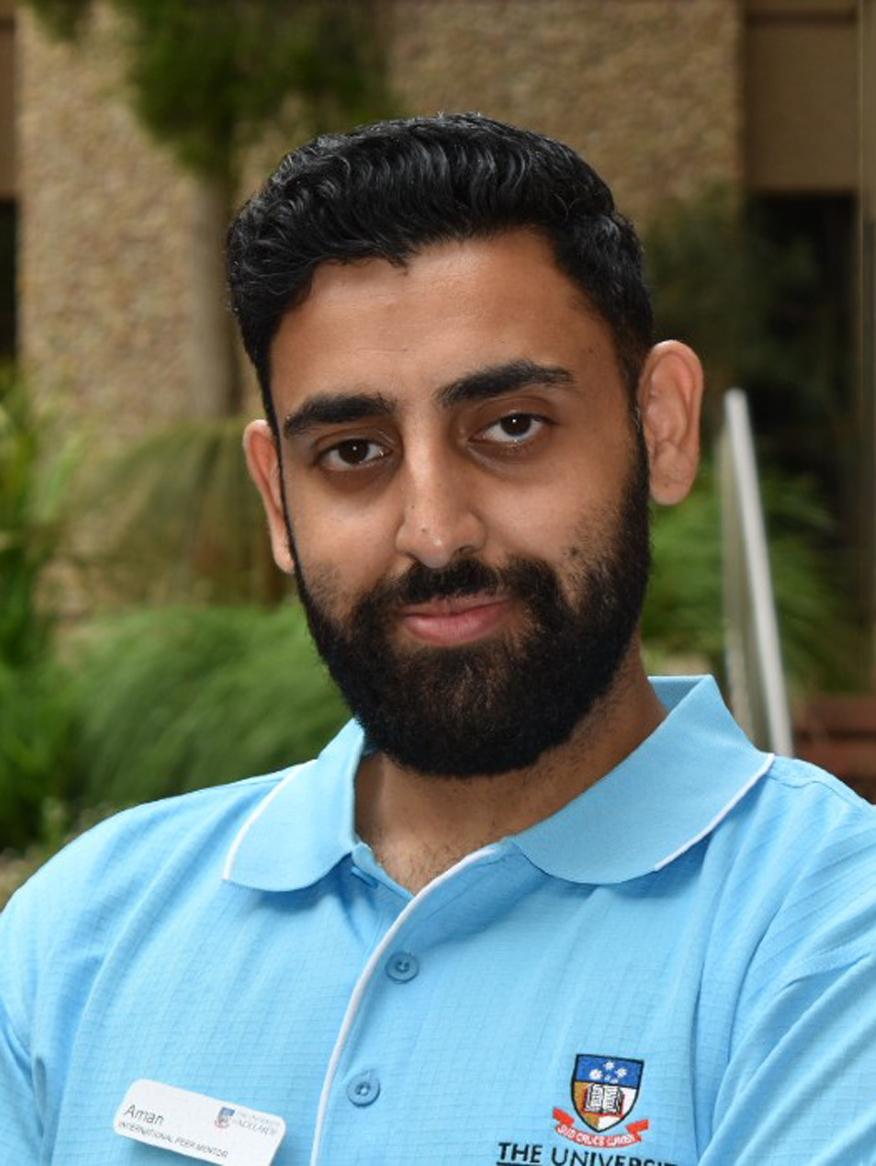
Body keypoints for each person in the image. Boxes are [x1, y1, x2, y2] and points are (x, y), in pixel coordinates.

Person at [1, 113, 875, 1166]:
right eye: (354, 450)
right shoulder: (80, 935)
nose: (434, 530)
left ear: (662, 429)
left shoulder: (829, 928)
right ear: (278, 500)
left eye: (511, 425)